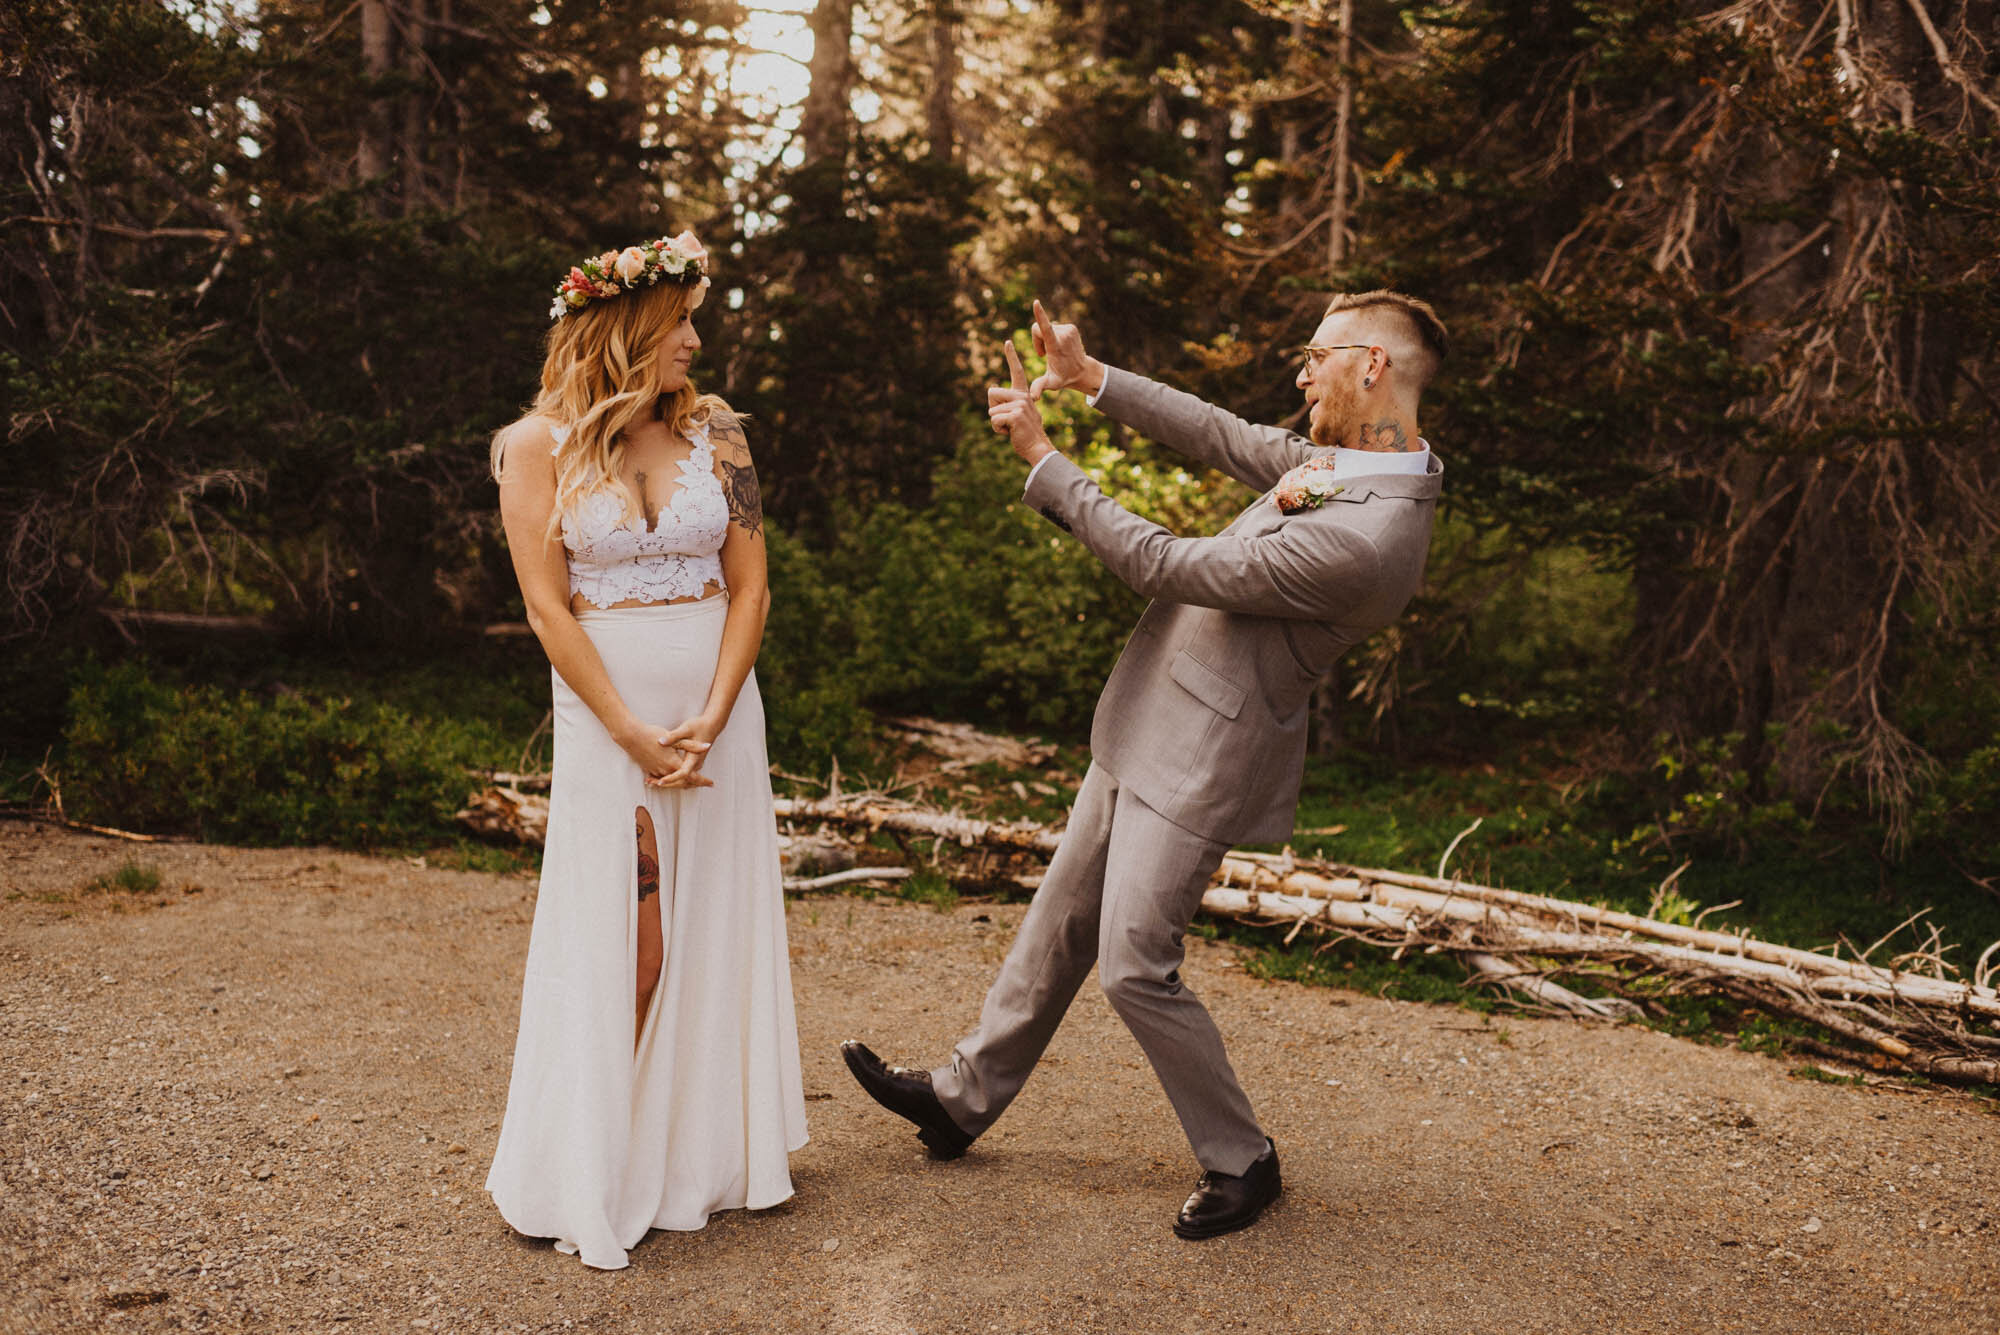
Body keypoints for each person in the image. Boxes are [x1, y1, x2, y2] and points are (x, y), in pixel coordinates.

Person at [841, 291, 1447, 1240]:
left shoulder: (1369, 538)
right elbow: (1221, 433)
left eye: (1315, 355)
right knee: (1060, 920)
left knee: (1133, 965)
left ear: (1372, 366)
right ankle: (962, 1098)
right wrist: (1092, 379)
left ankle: (1242, 1158)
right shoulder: (1356, 463)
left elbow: (1166, 563)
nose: (1300, 372)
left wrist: (1046, 462)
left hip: (1206, 756)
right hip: (1149, 713)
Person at [484, 233, 806, 1271]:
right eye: (682, 325)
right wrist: (629, 729)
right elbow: (545, 606)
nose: (697, 342)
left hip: (717, 710)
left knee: (710, 919)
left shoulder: (719, 434)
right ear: (626, 330)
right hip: (607, 717)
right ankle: (587, 1164)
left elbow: (750, 585)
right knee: (629, 942)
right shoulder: (533, 447)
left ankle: (694, 1160)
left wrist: (713, 713)